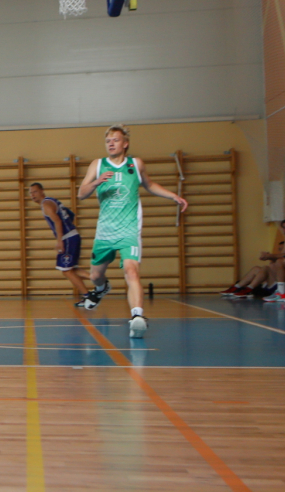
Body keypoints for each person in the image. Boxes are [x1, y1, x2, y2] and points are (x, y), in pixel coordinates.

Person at [75, 124, 187, 338]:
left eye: (115, 140)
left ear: (125, 143)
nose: (111, 143)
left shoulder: (136, 164)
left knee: (131, 271)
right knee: (95, 275)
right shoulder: (97, 165)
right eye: (108, 141)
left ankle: (137, 317)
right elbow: (81, 193)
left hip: (129, 230)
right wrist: (96, 182)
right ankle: (101, 288)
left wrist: (172, 195)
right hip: (105, 232)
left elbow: (150, 184)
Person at [28, 183, 91, 299]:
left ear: (42, 191)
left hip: (68, 238)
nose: (32, 195)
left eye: (35, 191)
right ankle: (92, 287)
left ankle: (91, 293)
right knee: (71, 269)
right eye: (30, 193)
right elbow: (70, 215)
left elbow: (58, 221)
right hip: (72, 236)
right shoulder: (52, 201)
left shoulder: (46, 204)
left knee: (66, 271)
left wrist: (60, 240)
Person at [221, 217, 285, 302]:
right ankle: (239, 287)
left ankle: (280, 292)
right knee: (262, 267)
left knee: (277, 263)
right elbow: (283, 255)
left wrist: (271, 255)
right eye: (284, 228)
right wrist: (268, 256)